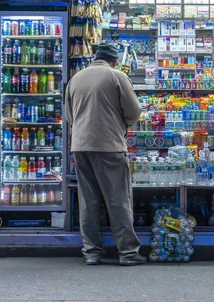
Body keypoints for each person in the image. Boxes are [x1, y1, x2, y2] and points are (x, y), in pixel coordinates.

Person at [65, 43, 145, 266]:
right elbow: (133, 111)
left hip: (80, 146)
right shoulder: (116, 76)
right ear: (113, 61)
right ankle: (128, 253)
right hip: (108, 145)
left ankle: (91, 252)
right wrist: (122, 125)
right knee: (118, 198)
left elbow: (69, 116)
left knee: (88, 200)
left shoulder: (76, 79)